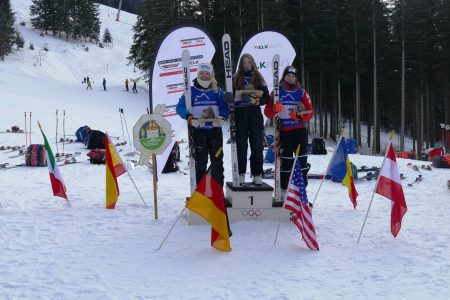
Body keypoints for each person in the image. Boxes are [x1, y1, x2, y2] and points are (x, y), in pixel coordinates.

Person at [264, 65, 313, 198]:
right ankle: (284, 189)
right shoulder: (276, 92)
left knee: (301, 161)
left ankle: (301, 189)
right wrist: (274, 109)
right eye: (288, 76)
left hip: (299, 130)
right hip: (284, 132)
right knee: (285, 161)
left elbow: (310, 112)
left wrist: (299, 116)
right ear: (284, 77)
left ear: (296, 78)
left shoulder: (302, 93)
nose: (290, 78)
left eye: (293, 76)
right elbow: (267, 112)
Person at [176, 63, 229, 186]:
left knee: (217, 162)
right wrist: (189, 117)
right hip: (198, 132)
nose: (204, 76)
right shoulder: (190, 91)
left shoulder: (217, 90)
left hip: (215, 132)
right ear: (198, 74)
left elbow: (224, 107)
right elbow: (180, 107)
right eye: (202, 73)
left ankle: (217, 193)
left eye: (207, 73)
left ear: (211, 74)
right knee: (200, 163)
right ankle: (200, 194)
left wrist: (222, 116)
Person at [232, 53, 269, 185]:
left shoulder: (259, 77)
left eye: (249, 62)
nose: (246, 64)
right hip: (240, 114)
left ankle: (256, 173)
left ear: (252, 63)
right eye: (244, 62)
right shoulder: (236, 78)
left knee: (257, 144)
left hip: (254, 114)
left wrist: (258, 101)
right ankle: (241, 173)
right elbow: (230, 96)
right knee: (241, 144)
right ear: (241, 65)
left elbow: (266, 97)